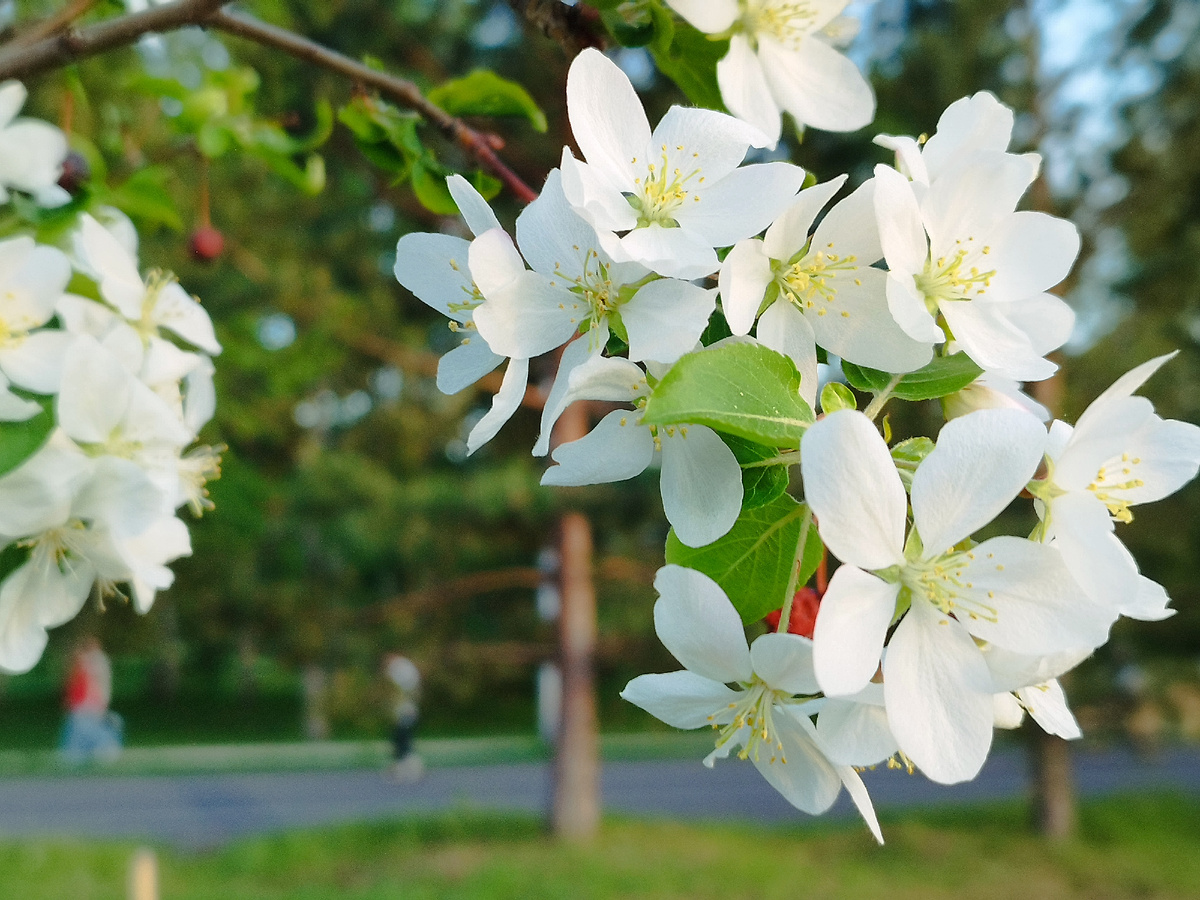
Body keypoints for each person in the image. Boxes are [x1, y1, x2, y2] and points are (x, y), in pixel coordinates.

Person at [59, 636, 122, 765]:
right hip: (84, 704)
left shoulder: (94, 662)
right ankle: (76, 757)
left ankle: (82, 756)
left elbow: (97, 683)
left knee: (85, 729)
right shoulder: (86, 663)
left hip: (89, 704)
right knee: (81, 729)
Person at [383, 653, 423, 782]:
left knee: (402, 737)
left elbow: (406, 691)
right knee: (400, 737)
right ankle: (401, 766)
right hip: (405, 708)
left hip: (406, 709)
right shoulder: (404, 667)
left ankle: (410, 767)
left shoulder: (400, 668)